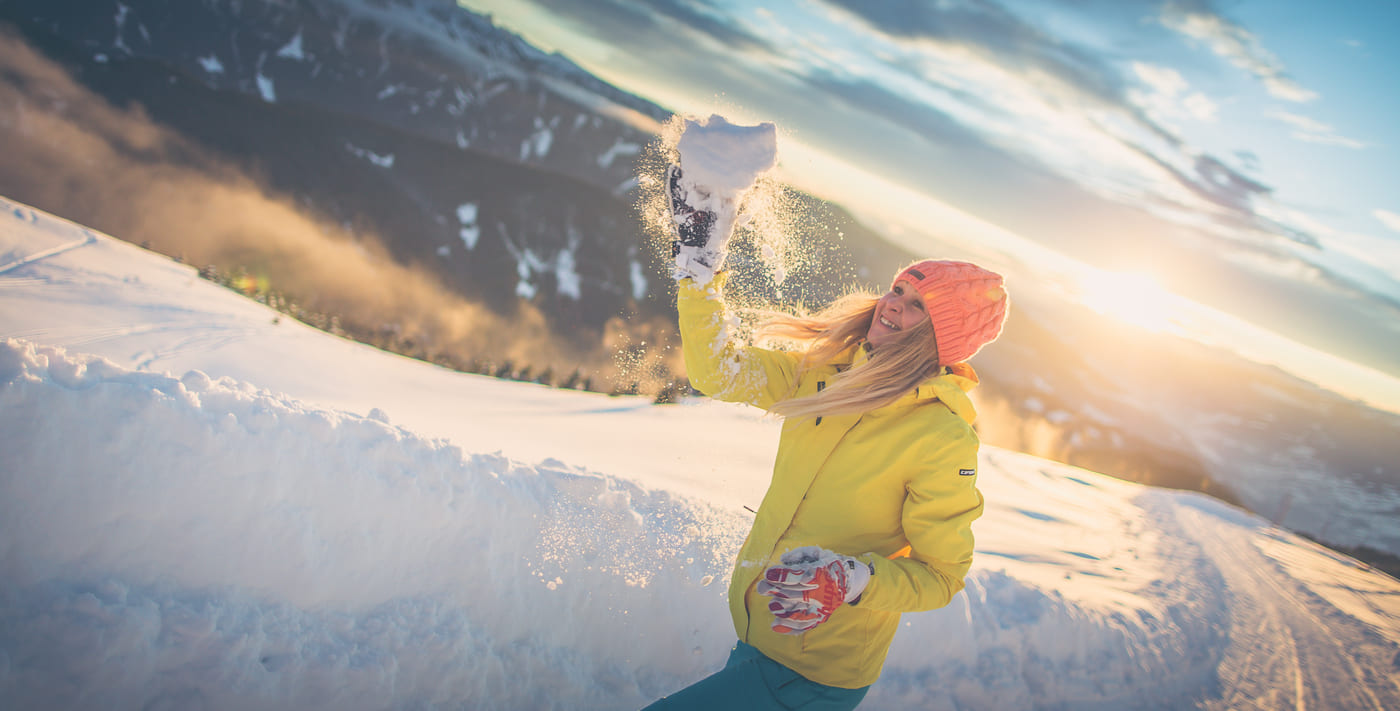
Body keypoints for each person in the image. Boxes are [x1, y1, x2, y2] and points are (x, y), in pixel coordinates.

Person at [644, 169, 1010, 710]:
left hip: (816, 673)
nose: (894, 305)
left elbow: (941, 576)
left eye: (918, 308)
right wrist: (700, 274)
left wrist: (854, 580)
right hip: (759, 634)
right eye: (900, 288)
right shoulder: (825, 372)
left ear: (940, 339)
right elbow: (717, 371)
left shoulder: (941, 437)